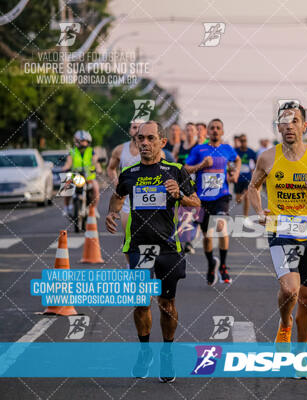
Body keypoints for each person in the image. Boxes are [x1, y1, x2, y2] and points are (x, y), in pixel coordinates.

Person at [247, 101, 307, 378]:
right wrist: (258, 211)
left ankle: (301, 355)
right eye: (284, 121)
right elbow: (253, 187)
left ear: (304, 126)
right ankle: (285, 324)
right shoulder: (267, 157)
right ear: (278, 126)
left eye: (295, 121)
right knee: (290, 290)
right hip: (280, 231)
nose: (289, 126)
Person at [105, 121, 200, 382]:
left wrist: (180, 194)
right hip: (139, 245)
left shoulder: (176, 170)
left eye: (149, 138)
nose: (144, 143)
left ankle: (167, 355)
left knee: (167, 304)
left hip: (169, 246)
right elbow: (117, 195)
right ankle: (145, 351)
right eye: (140, 139)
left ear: (162, 142)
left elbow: (196, 202)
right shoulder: (129, 172)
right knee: (141, 302)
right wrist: (113, 212)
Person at [185, 119, 241, 285]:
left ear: (222, 132)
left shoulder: (227, 149)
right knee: (207, 236)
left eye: (218, 128)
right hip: (203, 198)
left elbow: (237, 160)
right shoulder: (199, 149)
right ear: (207, 132)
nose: (215, 130)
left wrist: (235, 173)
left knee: (221, 226)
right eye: (212, 128)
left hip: (221, 195)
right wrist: (202, 164)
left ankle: (223, 265)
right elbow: (185, 168)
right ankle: (211, 263)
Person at [107, 122, 142, 235]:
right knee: (129, 237)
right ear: (130, 130)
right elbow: (111, 168)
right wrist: (117, 183)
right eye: (134, 127)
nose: (137, 130)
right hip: (127, 198)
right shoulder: (120, 149)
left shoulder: (153, 150)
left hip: (147, 197)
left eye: (140, 128)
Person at [61, 130, 102, 210]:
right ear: (76, 141)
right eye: (83, 141)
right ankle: (66, 207)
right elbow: (68, 163)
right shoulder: (72, 151)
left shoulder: (91, 151)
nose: (85, 143)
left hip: (89, 177)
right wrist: (64, 169)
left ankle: (94, 209)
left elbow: (96, 162)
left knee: (96, 188)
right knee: (66, 185)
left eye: (87, 141)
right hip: (76, 176)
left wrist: (98, 169)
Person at [234, 134, 257, 223]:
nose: (244, 142)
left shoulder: (251, 152)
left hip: (247, 178)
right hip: (238, 178)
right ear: (239, 142)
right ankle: (240, 197)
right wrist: (232, 170)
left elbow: (257, 163)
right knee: (238, 200)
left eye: (245, 141)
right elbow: (230, 162)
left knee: (247, 196)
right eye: (242, 141)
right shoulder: (235, 151)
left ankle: (245, 217)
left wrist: (255, 171)